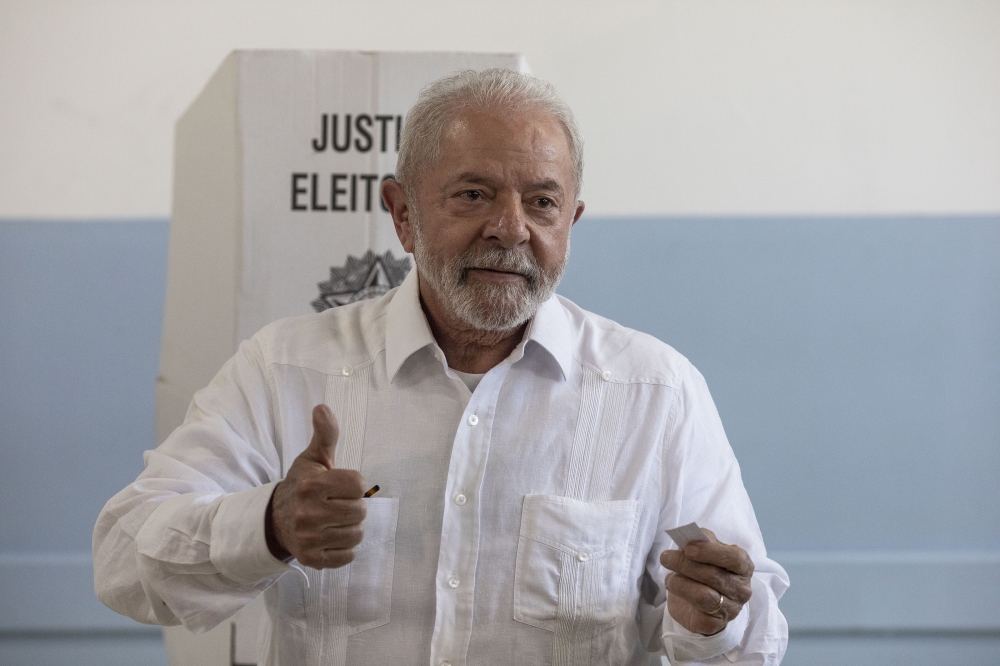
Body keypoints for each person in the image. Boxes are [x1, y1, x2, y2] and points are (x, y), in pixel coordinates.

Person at [94, 68, 788, 665]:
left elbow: (756, 642)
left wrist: (711, 624)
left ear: (571, 222)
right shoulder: (286, 370)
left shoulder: (655, 394)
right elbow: (124, 560)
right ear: (401, 214)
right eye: (473, 194)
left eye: (541, 202)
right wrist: (269, 526)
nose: (511, 228)